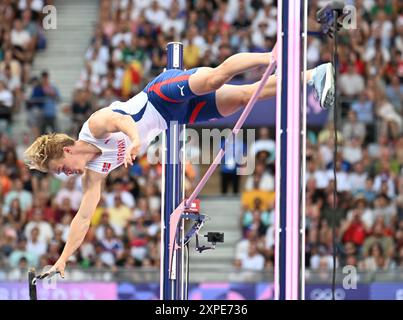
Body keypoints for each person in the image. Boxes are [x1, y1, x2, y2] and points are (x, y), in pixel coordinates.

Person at [24, 51, 334, 278]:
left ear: (66, 149)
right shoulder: (93, 176)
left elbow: (122, 120)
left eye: (61, 167)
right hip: (176, 117)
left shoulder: (94, 126)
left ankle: (273, 55)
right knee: (243, 97)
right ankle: (313, 76)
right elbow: (83, 218)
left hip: (161, 94)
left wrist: (133, 140)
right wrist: (63, 259)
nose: (66, 174)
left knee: (214, 78)